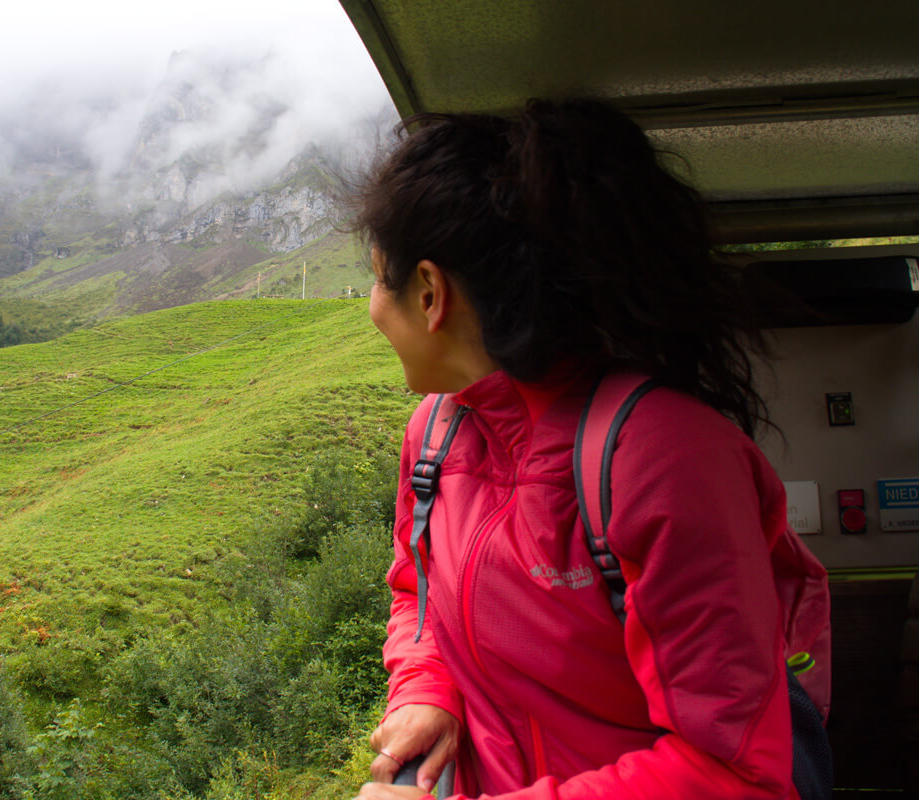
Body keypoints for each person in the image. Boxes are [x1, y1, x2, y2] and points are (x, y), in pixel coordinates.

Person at [349, 98, 830, 799]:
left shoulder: (664, 458)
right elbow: (419, 596)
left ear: (430, 294)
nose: (369, 305)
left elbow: (733, 773)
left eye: (376, 276)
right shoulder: (435, 437)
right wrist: (428, 689)